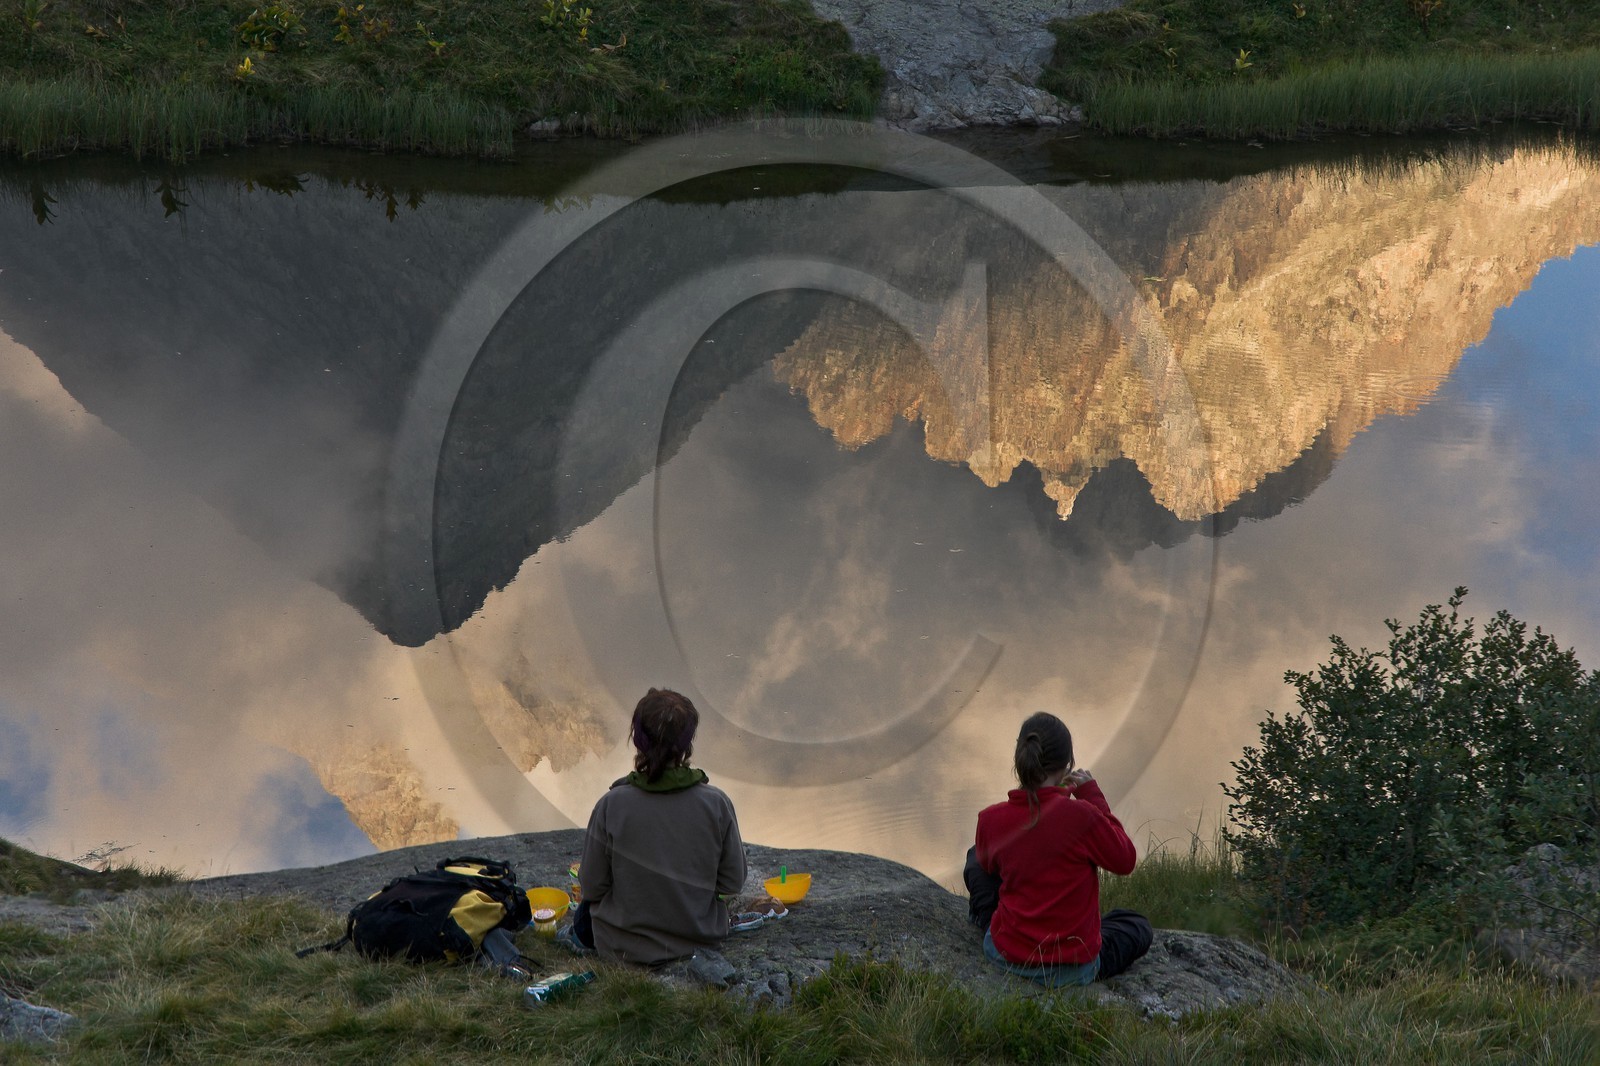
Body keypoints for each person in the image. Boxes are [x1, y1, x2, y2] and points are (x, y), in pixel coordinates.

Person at [968, 711, 1152, 986]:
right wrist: (1090, 794)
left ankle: (993, 926)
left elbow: (988, 866)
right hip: (1071, 969)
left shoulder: (990, 819)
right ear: (1067, 764)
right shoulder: (1083, 816)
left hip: (1006, 957)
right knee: (1135, 925)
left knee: (975, 857)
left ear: (1020, 758)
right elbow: (1125, 860)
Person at [568, 688, 747, 966]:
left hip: (622, 948)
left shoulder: (611, 805)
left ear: (638, 740)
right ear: (687, 744)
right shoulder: (717, 804)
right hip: (699, 940)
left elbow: (592, 887)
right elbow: (732, 882)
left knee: (583, 914)